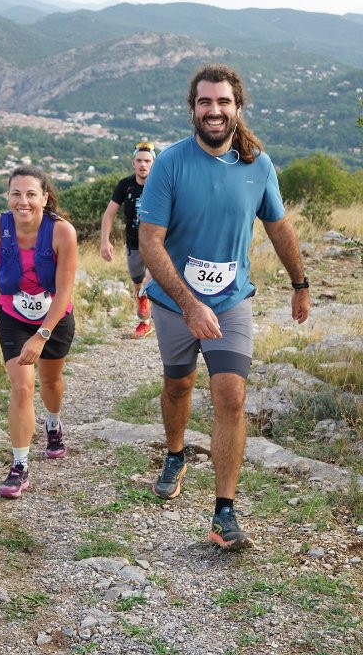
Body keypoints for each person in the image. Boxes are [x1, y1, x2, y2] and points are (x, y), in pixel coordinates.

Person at [138, 64, 310, 550]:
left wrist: (300, 283)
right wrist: (189, 304)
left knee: (231, 396)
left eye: (223, 102)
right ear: (192, 108)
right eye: (205, 102)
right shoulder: (171, 163)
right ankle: (176, 453)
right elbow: (150, 241)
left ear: (238, 107)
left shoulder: (259, 166)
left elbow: (279, 226)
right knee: (178, 385)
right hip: (175, 302)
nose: (214, 110)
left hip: (232, 300)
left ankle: (224, 513)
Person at [0, 164, 77, 498]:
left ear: (44, 198)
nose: (23, 201)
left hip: (54, 316)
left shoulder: (62, 232)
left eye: (31, 194)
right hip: (13, 314)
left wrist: (42, 335)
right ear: (8, 196)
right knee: (22, 386)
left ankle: (53, 422)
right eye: (16, 193)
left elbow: (64, 291)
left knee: (51, 382)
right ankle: (19, 467)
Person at [100, 142, 156, 339]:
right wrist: (104, 241)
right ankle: (145, 323)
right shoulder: (125, 185)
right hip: (133, 244)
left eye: (147, 161)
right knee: (138, 283)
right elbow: (109, 215)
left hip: (157, 244)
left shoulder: (161, 184)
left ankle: (169, 319)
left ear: (153, 163)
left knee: (153, 279)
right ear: (133, 163)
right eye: (139, 161)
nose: (143, 165)